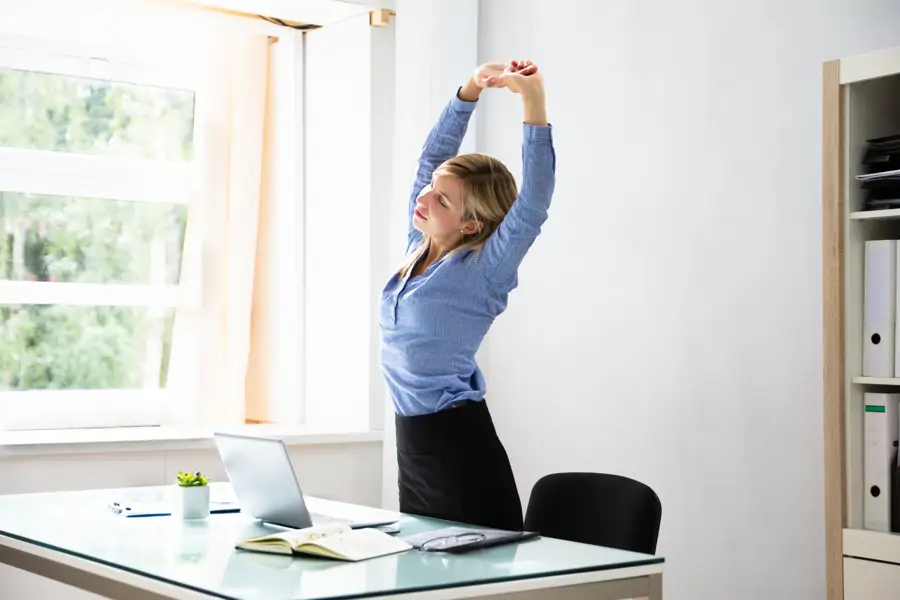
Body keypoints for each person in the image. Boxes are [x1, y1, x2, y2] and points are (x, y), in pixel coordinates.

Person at [379, 59, 555, 532]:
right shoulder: (419, 246)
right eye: (432, 190)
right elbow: (430, 158)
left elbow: (533, 204)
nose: (424, 198)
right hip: (412, 442)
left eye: (442, 200)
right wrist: (470, 89)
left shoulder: (484, 269)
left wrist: (532, 99)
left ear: (471, 224)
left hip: (458, 446)